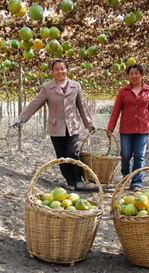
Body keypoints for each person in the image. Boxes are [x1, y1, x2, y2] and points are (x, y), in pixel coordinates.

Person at [12, 59, 96, 191]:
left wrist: (89, 124)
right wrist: (21, 118)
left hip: (72, 125)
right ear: (52, 72)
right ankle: (70, 182)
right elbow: (35, 103)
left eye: (62, 68)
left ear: (66, 69)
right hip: (56, 127)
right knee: (62, 156)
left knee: (72, 152)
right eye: (57, 69)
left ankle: (78, 180)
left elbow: (82, 106)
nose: (60, 71)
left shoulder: (75, 85)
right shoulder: (47, 87)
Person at [106, 64, 149, 191]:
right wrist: (110, 127)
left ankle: (136, 182)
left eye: (137, 73)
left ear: (142, 75)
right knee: (125, 155)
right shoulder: (123, 92)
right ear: (128, 76)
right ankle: (125, 174)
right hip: (126, 129)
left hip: (142, 129)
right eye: (131, 73)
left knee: (139, 156)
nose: (134, 76)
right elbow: (116, 111)